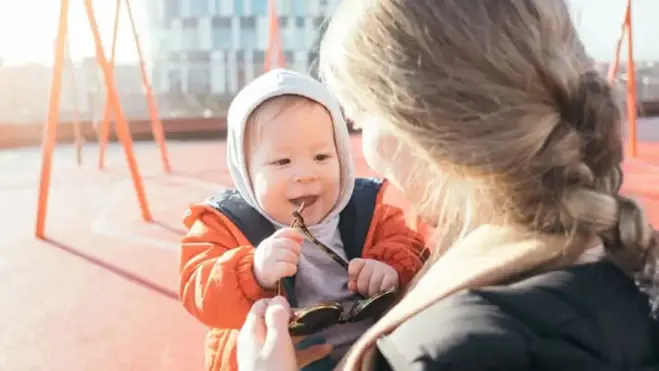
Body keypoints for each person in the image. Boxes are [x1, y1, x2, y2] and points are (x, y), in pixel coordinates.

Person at [236, 0, 659, 370]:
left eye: (360, 120)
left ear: (417, 126)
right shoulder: (632, 257)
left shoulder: (442, 351)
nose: (366, 150)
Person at [178, 68, 427, 371]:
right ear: (245, 169)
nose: (306, 174)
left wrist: (390, 269)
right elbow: (198, 291)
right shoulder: (225, 224)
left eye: (322, 157)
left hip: (367, 353)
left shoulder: (368, 208)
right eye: (282, 161)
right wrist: (252, 270)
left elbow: (411, 247)